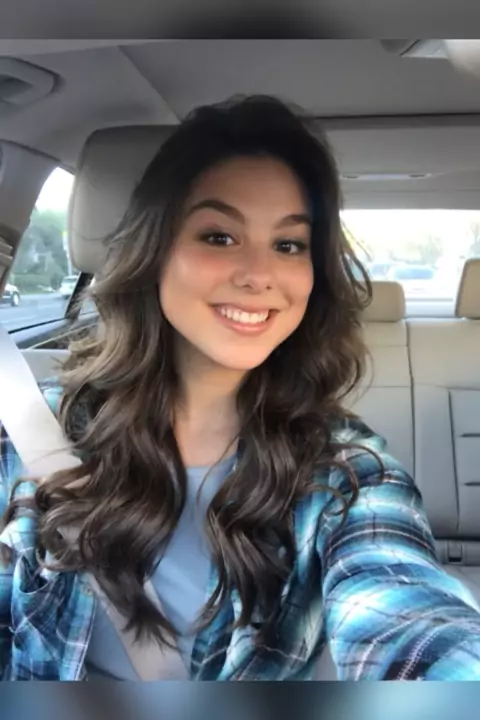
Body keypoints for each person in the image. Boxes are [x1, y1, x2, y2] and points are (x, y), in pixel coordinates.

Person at [1, 95, 480, 682]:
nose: (259, 275)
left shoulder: (346, 470)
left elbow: (406, 615)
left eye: (289, 245)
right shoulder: (33, 432)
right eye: (219, 236)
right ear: (156, 252)